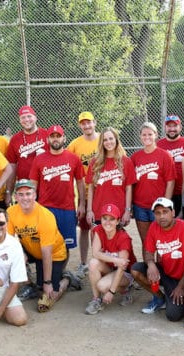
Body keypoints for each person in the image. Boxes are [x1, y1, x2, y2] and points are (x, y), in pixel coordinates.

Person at [7, 179, 76, 313]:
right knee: (13, 255)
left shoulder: (45, 216)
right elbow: (8, 241)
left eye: (28, 194)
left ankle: (66, 279)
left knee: (49, 295)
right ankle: (27, 283)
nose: (24, 198)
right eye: (20, 194)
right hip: (32, 250)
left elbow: (47, 253)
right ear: (15, 197)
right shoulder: (10, 212)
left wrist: (48, 283)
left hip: (54, 254)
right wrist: (21, 255)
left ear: (35, 195)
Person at [131, 197, 184, 320]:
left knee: (173, 316)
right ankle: (160, 297)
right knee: (136, 269)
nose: (161, 216)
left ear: (173, 213)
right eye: (158, 213)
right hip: (165, 273)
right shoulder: (154, 227)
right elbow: (148, 252)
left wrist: (181, 286)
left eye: (165, 212)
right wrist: (151, 265)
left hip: (183, 277)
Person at [29, 124, 85, 250]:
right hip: (45, 207)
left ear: (64, 138)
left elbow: (81, 182)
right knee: (45, 243)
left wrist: (82, 204)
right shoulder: (39, 159)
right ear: (47, 140)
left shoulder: (73, 159)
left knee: (66, 245)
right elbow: (33, 184)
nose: (55, 139)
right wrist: (32, 204)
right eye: (52, 136)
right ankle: (46, 270)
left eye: (58, 136)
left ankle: (62, 270)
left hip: (67, 208)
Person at [85, 204, 137, 315]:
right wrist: (117, 260)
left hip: (125, 273)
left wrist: (111, 292)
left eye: (112, 219)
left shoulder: (123, 237)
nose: (107, 222)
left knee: (102, 286)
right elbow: (95, 253)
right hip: (112, 267)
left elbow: (122, 267)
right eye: (105, 218)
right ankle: (96, 300)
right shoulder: (98, 230)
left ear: (118, 221)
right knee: (93, 263)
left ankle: (126, 289)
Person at [130, 122, 175, 246]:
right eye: (144, 135)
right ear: (140, 136)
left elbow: (170, 182)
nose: (147, 137)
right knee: (146, 243)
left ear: (156, 135)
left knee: (161, 242)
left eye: (150, 134)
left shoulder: (165, 156)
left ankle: (161, 266)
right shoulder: (135, 157)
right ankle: (148, 265)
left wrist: (165, 204)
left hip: (158, 206)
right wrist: (131, 205)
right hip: (140, 206)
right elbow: (131, 184)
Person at [67, 111, 100, 276]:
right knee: (85, 229)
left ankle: (99, 262)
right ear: (80, 125)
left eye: (89, 122)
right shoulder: (75, 144)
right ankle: (83, 263)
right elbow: (66, 163)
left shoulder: (104, 139)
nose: (86, 125)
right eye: (83, 123)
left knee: (101, 230)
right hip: (85, 194)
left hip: (103, 193)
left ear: (95, 123)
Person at [86, 127, 136, 227]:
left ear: (116, 140)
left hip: (118, 212)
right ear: (101, 143)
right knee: (97, 242)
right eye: (105, 140)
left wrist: (127, 211)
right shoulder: (94, 162)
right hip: (98, 212)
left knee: (116, 242)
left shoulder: (126, 161)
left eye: (111, 138)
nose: (108, 142)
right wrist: (89, 211)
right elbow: (91, 189)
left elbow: (129, 189)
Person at [6, 105, 48, 190]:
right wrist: (8, 192)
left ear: (35, 118)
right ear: (20, 121)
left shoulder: (46, 134)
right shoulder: (15, 139)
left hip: (45, 186)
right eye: (23, 117)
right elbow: (12, 166)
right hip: (24, 186)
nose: (26, 120)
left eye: (29, 116)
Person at [157, 115, 184, 215]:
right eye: (169, 126)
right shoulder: (159, 145)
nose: (172, 129)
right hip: (165, 191)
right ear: (165, 128)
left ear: (180, 127)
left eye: (175, 126)